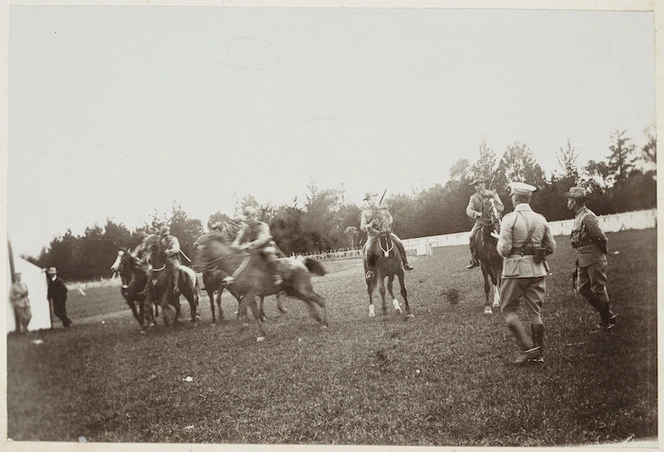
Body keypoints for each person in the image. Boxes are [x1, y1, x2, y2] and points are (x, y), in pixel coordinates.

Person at [497, 182, 556, 364]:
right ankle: (539, 354)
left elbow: (504, 249)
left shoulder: (509, 219)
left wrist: (499, 245)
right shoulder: (541, 218)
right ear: (528, 198)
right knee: (535, 312)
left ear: (515, 198)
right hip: (537, 270)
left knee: (508, 310)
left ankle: (529, 349)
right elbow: (552, 247)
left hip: (514, 271)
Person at [566, 186, 617, 332]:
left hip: (593, 257)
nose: (568, 202)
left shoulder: (587, 217)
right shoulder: (578, 216)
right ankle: (608, 315)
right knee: (583, 289)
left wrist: (599, 256)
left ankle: (605, 322)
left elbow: (601, 237)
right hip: (583, 258)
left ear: (575, 201)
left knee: (599, 288)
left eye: (570, 199)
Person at [360, 192, 413, 279]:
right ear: (367, 201)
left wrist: (386, 223)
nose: (371, 201)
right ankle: (370, 271)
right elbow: (362, 227)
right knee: (369, 249)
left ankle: (405, 263)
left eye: (373, 198)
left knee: (399, 242)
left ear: (375, 199)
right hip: (373, 235)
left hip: (385, 232)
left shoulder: (383, 209)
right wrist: (369, 225)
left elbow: (390, 218)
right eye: (369, 200)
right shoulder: (365, 212)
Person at [231, 206, 283, 286]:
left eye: (248, 217)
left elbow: (261, 240)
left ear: (253, 216)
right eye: (245, 218)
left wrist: (247, 246)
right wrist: (235, 245)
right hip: (253, 251)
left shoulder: (263, 226)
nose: (246, 220)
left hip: (265, 247)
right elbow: (239, 238)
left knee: (268, 253)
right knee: (240, 259)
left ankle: (276, 275)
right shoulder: (245, 228)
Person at [466, 176, 504, 269]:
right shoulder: (473, 197)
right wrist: (477, 214)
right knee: (471, 237)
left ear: (483, 184)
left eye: (477, 184)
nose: (476, 186)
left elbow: (501, 206)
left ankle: (506, 255)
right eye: (474, 185)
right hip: (480, 222)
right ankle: (474, 258)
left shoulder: (493, 194)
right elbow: (468, 210)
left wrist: (494, 209)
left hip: (494, 221)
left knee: (504, 235)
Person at [158, 226, 182, 294]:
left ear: (169, 233)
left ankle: (176, 286)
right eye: (164, 235)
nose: (166, 237)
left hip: (174, 259)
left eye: (166, 235)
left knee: (176, 268)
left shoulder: (174, 239)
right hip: (165, 260)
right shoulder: (162, 241)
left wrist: (166, 252)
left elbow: (176, 249)